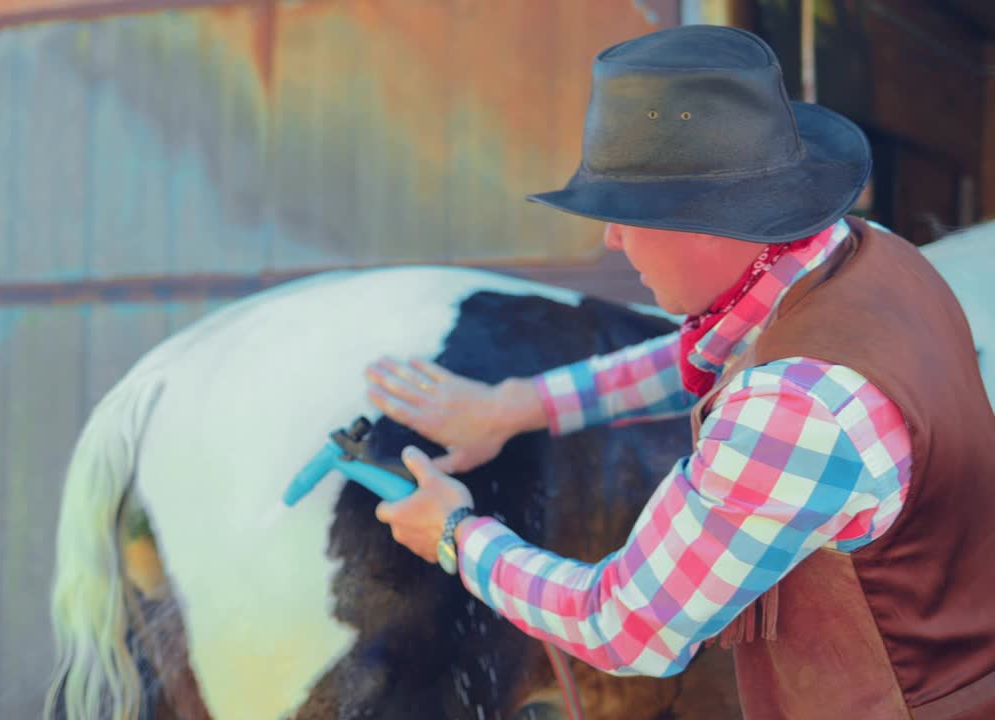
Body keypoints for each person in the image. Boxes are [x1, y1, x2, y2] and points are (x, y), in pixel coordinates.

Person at [365, 24, 995, 720]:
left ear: (702, 223)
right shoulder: (871, 256)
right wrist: (517, 405)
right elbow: (721, 347)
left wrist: (455, 536)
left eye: (623, 215)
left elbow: (624, 627)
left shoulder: (793, 409)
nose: (611, 238)